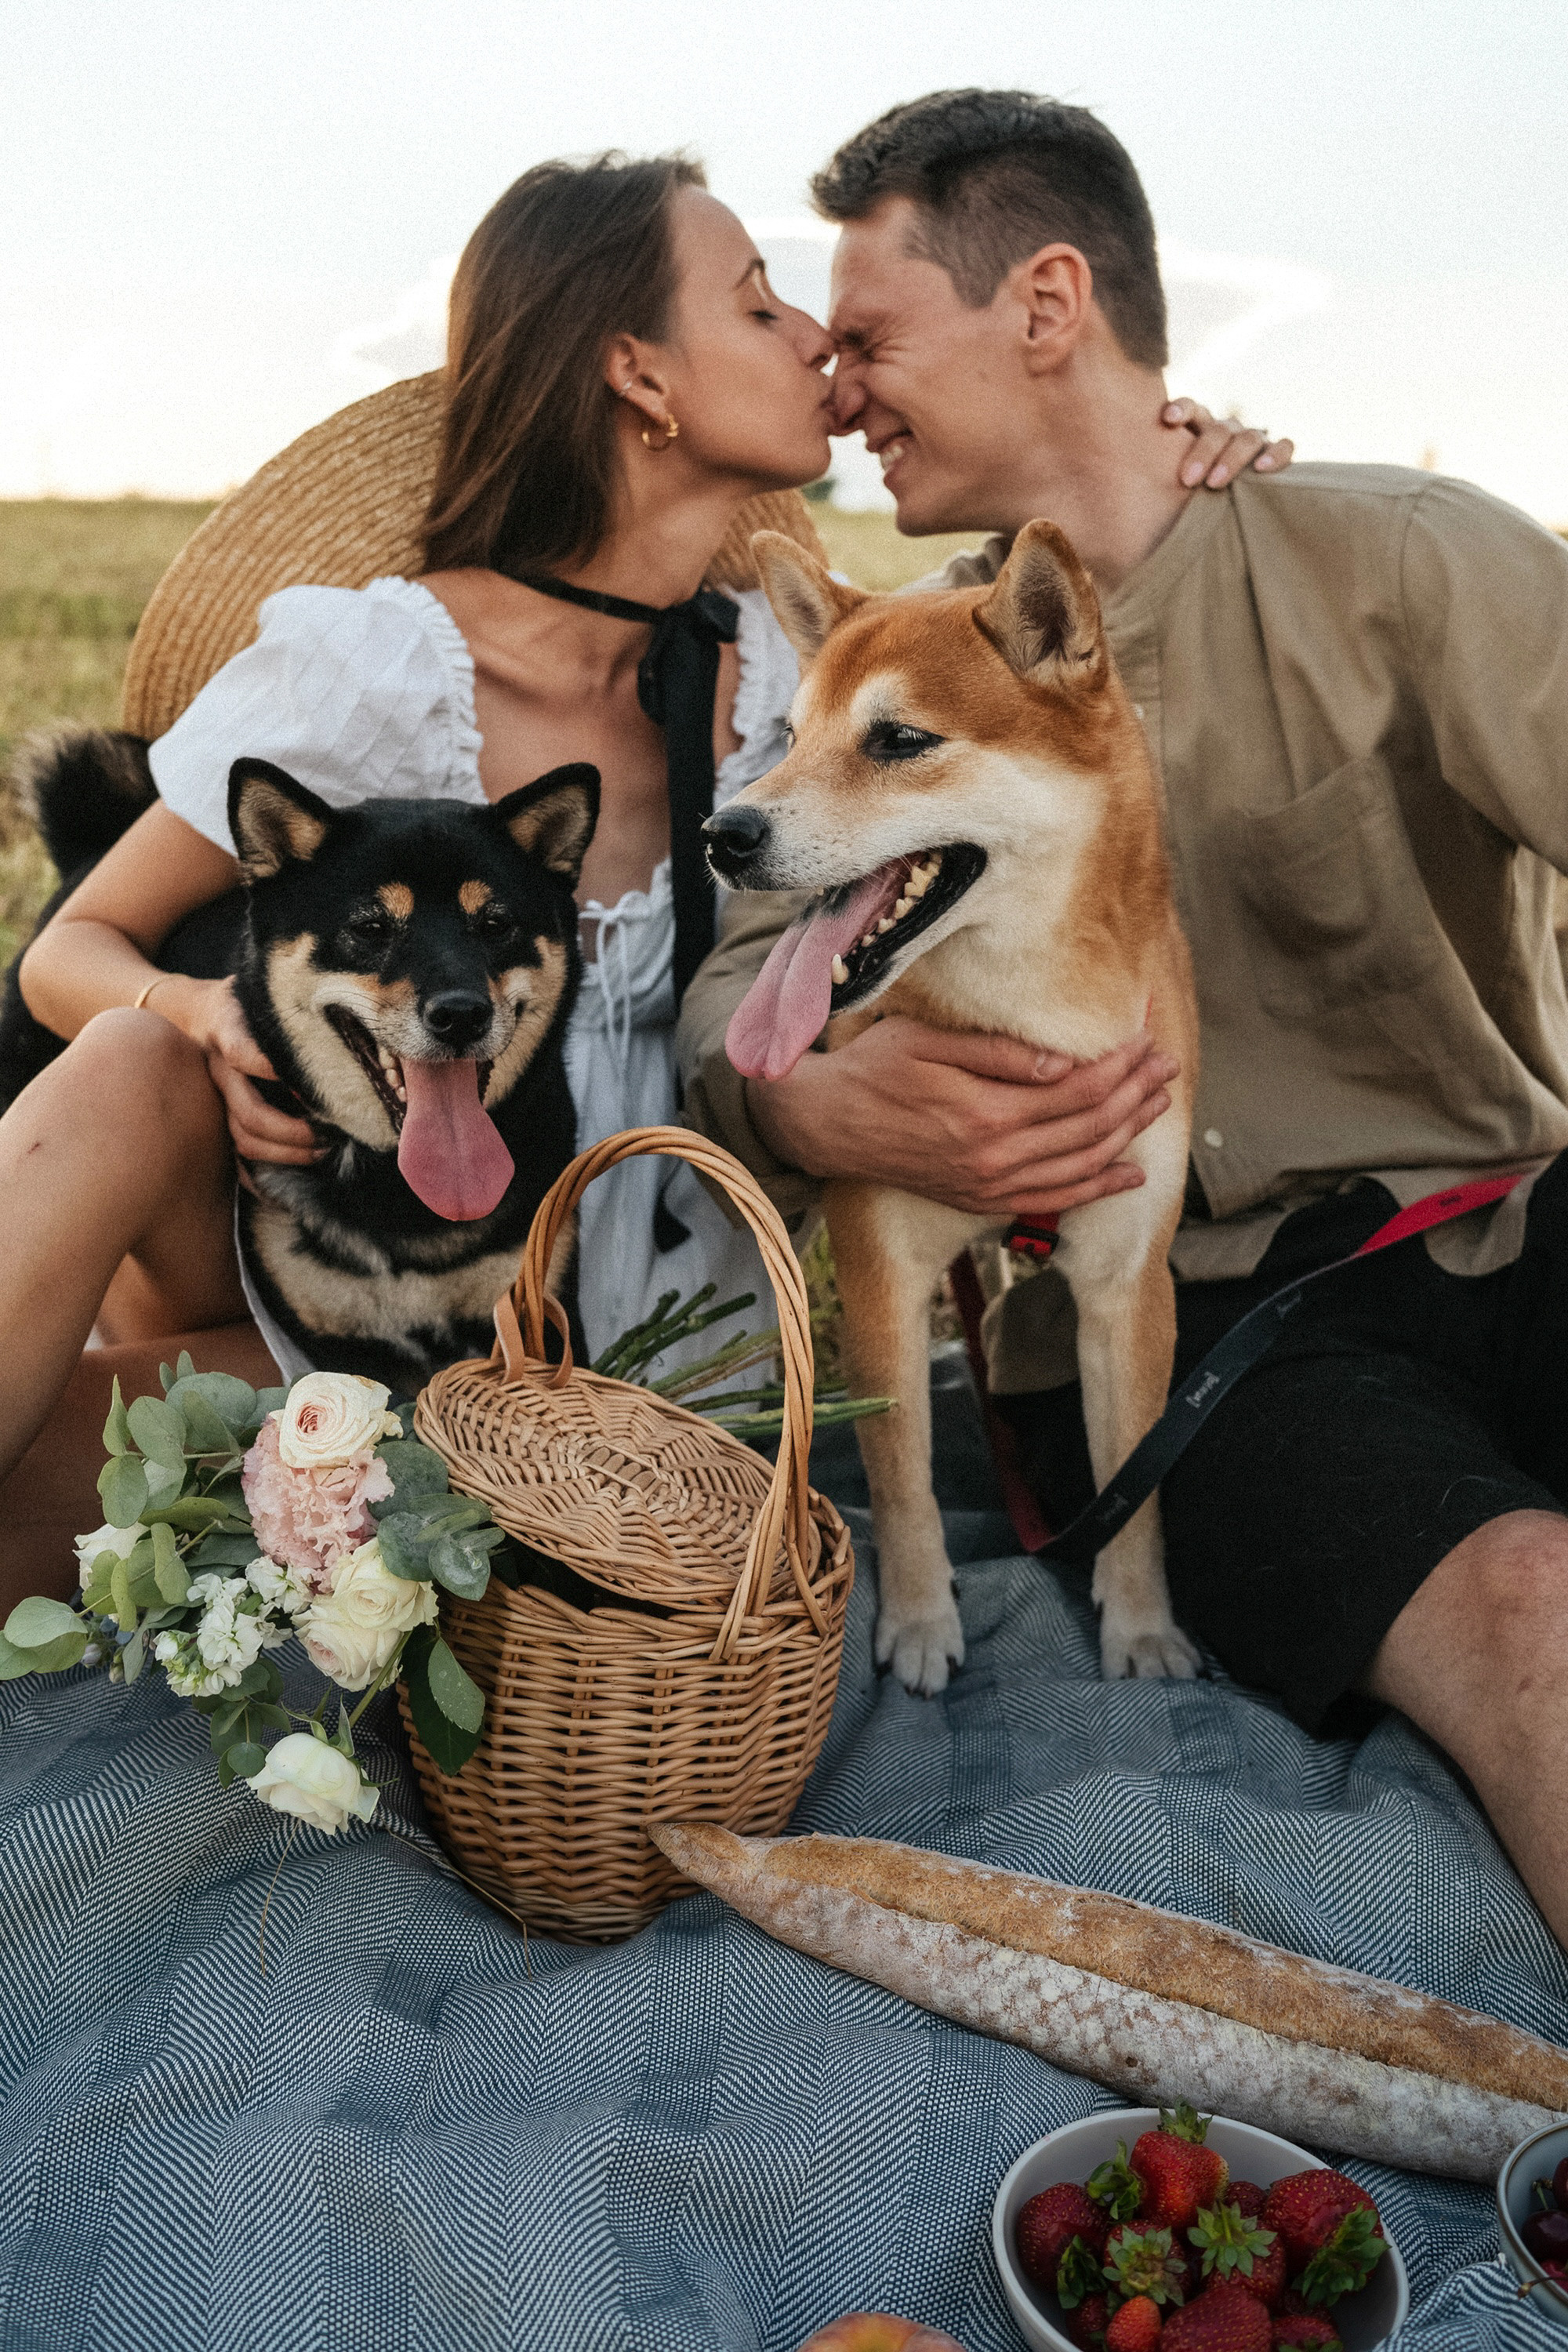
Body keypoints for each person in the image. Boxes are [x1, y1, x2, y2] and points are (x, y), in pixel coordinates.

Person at [0, 147, 1269, 1490]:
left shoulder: (805, 686)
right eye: (760, 300)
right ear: (641, 374)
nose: (815, 335)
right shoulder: (368, 671)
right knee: (126, 1078)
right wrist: (208, 1020)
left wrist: (1184, 462)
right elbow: (69, 957)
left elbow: (1028, 666)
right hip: (374, 1306)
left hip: (662, 1365)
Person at [676, 89, 1568, 1945]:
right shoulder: (887, 660)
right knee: (1528, 1618)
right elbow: (732, 986)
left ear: (1047, 304)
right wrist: (807, 1109)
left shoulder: (1398, 561)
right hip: (1213, 1339)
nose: (835, 392)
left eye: (868, 337)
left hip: (1507, 1220)